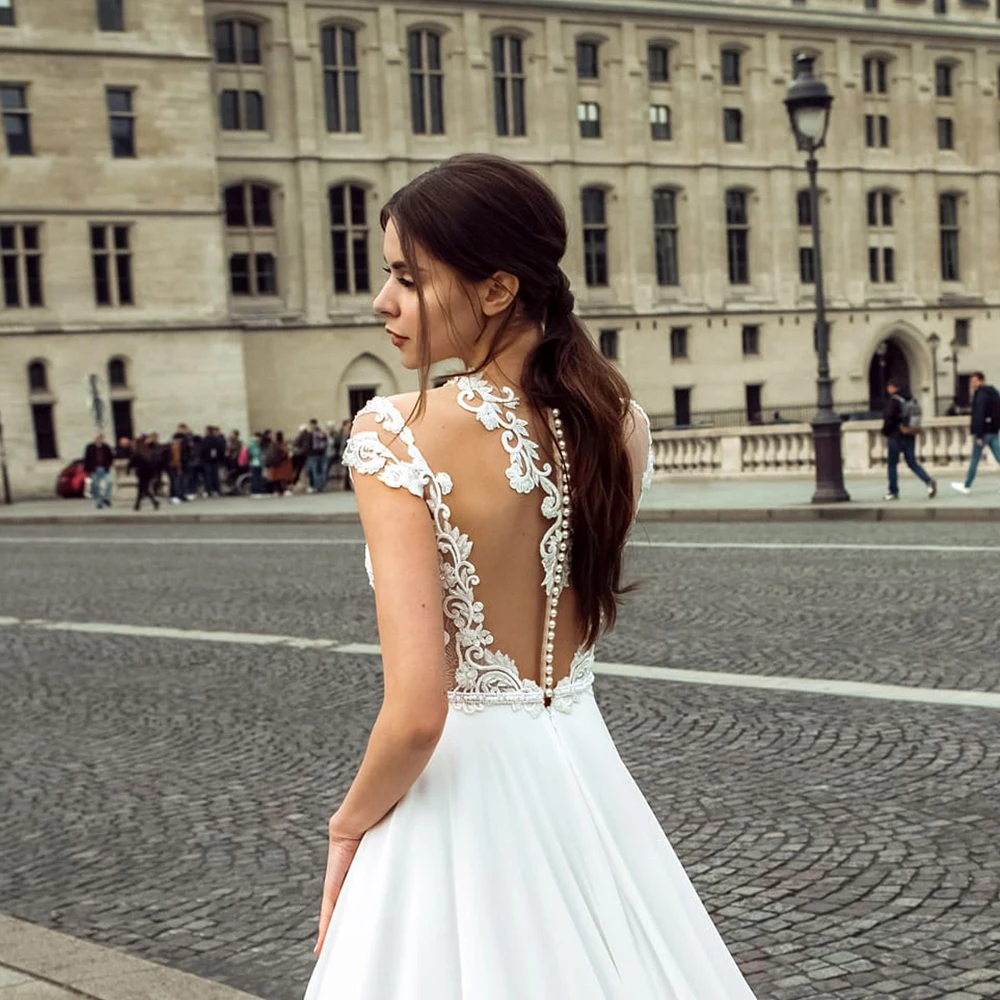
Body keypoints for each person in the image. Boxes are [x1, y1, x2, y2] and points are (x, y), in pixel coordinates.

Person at [304, 154, 758, 999]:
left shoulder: (395, 434)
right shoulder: (619, 422)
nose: (383, 302)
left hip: (463, 800)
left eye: (408, 276)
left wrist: (347, 826)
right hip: (585, 775)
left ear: (497, 289)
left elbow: (414, 715)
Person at [882, 379, 937, 501]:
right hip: (909, 434)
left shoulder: (893, 401)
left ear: (892, 387)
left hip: (895, 435)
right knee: (912, 462)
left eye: (889, 386)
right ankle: (928, 480)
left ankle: (893, 491)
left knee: (892, 465)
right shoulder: (910, 399)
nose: (888, 389)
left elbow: (889, 418)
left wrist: (885, 432)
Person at [951, 371, 1000, 494]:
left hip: (982, 432)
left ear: (981, 381)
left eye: (974, 381)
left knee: (975, 459)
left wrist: (978, 434)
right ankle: (966, 485)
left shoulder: (980, 395)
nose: (972, 384)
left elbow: (979, 415)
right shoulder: (993, 393)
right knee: (998, 456)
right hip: (992, 430)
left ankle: (967, 485)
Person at [127, 434, 160, 511]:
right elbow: (154, 462)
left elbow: (132, 462)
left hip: (142, 472)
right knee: (142, 488)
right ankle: (137, 505)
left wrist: (128, 470)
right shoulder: (148, 451)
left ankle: (153, 502)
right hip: (149, 472)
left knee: (143, 488)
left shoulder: (138, 452)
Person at [83, 433, 114, 510]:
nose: (99, 439)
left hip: (104, 468)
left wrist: (108, 465)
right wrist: (87, 470)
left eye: (101, 438)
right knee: (96, 486)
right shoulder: (90, 447)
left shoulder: (106, 447)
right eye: (98, 438)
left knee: (109, 482)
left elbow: (111, 457)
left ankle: (106, 498)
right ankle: (99, 502)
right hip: (95, 469)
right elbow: (87, 458)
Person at [265, 430, 294, 496]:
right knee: (283, 478)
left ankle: (277, 491)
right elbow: (285, 453)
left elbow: (269, 455)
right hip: (281, 463)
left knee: (275, 478)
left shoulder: (272, 444)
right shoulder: (282, 444)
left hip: (274, 464)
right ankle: (283, 490)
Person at [306, 419, 329, 492]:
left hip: (314, 454)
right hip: (319, 454)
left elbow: (308, 445)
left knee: (316, 471)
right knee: (319, 471)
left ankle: (318, 487)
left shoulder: (311, 433)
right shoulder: (320, 432)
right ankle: (320, 486)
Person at [247, 432, 265, 498]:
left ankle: (257, 490)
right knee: (256, 478)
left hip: (258, 463)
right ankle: (255, 491)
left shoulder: (255, 445)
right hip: (255, 463)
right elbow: (255, 454)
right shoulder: (253, 445)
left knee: (258, 477)